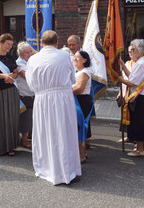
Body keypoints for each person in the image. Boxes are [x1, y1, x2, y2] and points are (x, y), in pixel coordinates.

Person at [26, 30, 81, 185]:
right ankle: (67, 169)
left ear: (41, 43)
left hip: (42, 99)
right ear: (57, 43)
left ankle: (48, 168)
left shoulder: (33, 59)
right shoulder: (64, 56)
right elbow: (72, 79)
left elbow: (30, 84)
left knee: (46, 133)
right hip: (62, 99)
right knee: (64, 132)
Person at [118, 39, 144, 157]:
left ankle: (139, 150)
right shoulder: (142, 62)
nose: (132, 51)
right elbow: (132, 76)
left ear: (140, 50)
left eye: (134, 49)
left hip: (140, 97)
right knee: (143, 123)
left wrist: (120, 79)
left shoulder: (141, 63)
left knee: (139, 123)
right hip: (142, 97)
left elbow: (132, 82)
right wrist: (123, 66)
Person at [72, 51, 94, 163]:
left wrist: (65, 91)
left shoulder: (85, 72)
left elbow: (80, 88)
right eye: (74, 57)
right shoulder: (76, 71)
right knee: (76, 128)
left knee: (80, 127)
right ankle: (82, 152)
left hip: (82, 102)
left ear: (84, 60)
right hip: (76, 101)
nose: (74, 59)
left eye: (77, 57)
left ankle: (81, 155)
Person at [117, 45, 137, 143]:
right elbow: (122, 80)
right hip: (126, 93)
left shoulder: (140, 64)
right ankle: (129, 136)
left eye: (133, 50)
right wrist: (120, 92)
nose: (131, 53)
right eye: (130, 51)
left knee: (134, 118)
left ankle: (137, 138)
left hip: (136, 94)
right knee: (126, 116)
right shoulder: (127, 63)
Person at [16, 42, 34, 148]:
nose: (30, 54)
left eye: (30, 51)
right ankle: (24, 139)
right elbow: (26, 76)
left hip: (32, 93)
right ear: (21, 54)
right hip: (24, 94)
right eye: (27, 52)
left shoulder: (31, 62)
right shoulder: (19, 63)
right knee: (25, 118)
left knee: (32, 117)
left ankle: (31, 136)